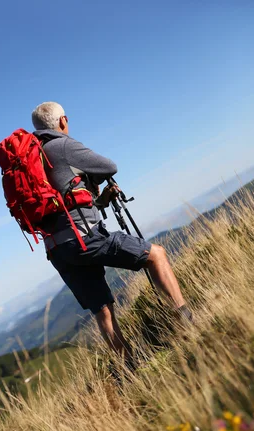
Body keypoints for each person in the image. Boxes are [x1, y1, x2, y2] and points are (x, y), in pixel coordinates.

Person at [32, 101, 192, 361]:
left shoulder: (33, 160)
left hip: (57, 249)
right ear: (63, 121)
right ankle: (187, 324)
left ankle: (129, 368)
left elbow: (63, 203)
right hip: (83, 238)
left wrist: (100, 200)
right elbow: (108, 166)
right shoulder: (62, 145)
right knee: (157, 255)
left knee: (102, 309)